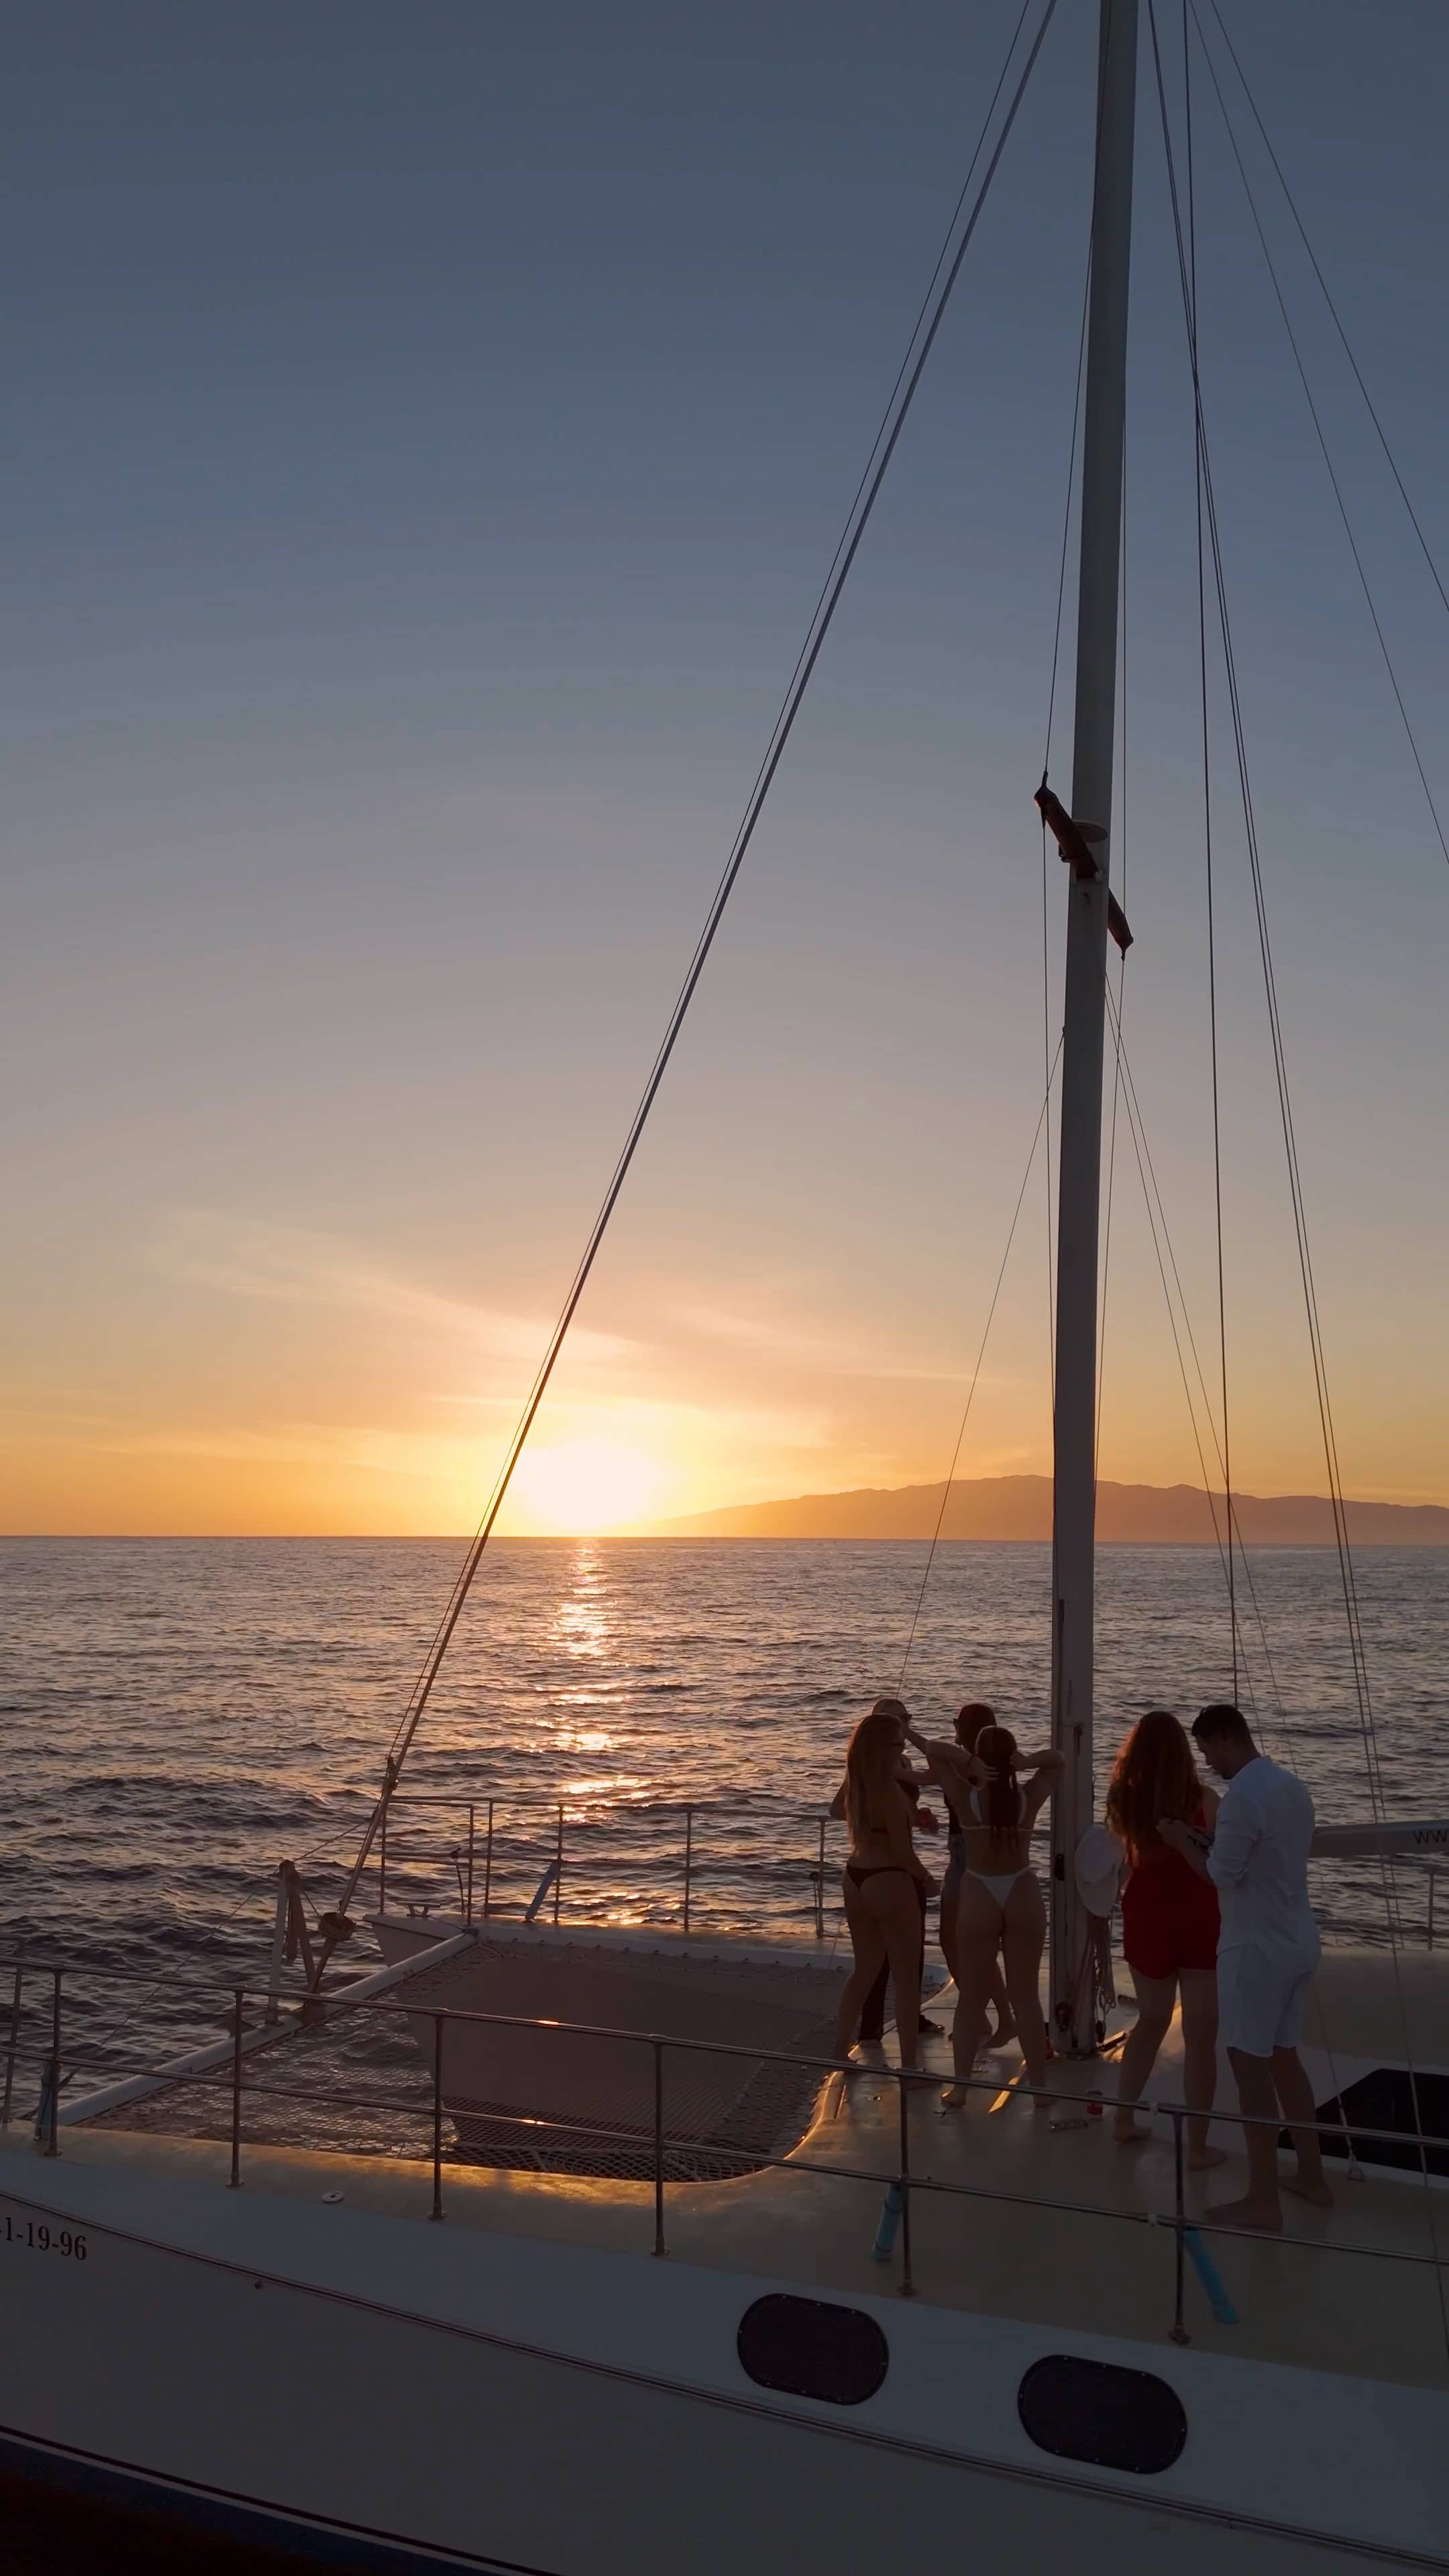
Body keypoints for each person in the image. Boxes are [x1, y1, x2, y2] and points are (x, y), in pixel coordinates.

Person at [1159, 1703, 1330, 2231]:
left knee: (1248, 2064)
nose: (1208, 1762)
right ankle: (1311, 2176)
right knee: (1283, 2057)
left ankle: (1262, 2199)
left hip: (1255, 1950)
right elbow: (1262, 1857)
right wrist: (1202, 1840)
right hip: (1298, 1938)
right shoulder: (1290, 1788)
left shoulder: (1240, 1802)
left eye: (1209, 1750)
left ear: (1227, 1738)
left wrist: (1179, 1842)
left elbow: (1220, 1876)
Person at [1104, 1709, 1224, 2169]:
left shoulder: (1124, 1798)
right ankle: (1196, 2146)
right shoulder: (1205, 1799)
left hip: (1148, 1910)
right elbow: (1218, 1855)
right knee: (1200, 2034)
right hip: (1196, 1911)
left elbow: (1126, 1848)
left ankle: (1123, 2120)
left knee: (1150, 2021)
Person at [928, 1723, 1063, 2108]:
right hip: (1021, 1890)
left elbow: (935, 1752)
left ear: (980, 1759)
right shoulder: (1027, 1796)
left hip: (980, 1892)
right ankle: (1038, 2088)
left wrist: (966, 1760)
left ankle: (961, 2089)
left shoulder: (965, 1796)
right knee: (1026, 1998)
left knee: (971, 1997)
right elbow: (1059, 1761)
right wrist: (1029, 1760)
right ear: (1011, 1759)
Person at [833, 1699, 937, 2072]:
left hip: (855, 1876)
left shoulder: (859, 1782)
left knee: (865, 1970)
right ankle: (909, 2069)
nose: (903, 1748)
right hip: (890, 1880)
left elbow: (838, 1812)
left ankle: (837, 2051)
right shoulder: (890, 1792)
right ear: (882, 1749)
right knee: (907, 1982)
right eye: (897, 1743)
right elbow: (903, 1852)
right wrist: (928, 1881)